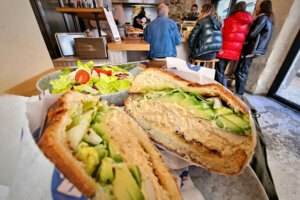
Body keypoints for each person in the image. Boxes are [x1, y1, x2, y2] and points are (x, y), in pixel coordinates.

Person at [235, 0, 274, 95]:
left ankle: (239, 94)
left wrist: (243, 38)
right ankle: (239, 92)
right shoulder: (269, 19)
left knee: (241, 71)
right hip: (257, 49)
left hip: (251, 48)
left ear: (261, 8)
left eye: (257, 8)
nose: (256, 9)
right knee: (243, 70)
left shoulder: (262, 18)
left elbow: (252, 34)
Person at [215, 1, 253, 87]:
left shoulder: (229, 20)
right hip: (235, 51)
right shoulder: (246, 23)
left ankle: (222, 90)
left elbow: (221, 34)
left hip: (224, 49)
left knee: (219, 72)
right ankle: (223, 89)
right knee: (222, 71)